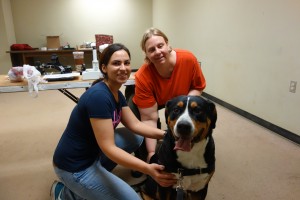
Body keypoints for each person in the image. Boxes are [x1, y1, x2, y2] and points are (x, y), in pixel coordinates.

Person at [50, 43, 177, 200]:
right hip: (75, 167)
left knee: (136, 136)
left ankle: (91, 183)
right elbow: (109, 148)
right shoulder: (99, 97)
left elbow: (135, 125)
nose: (123, 68)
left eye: (127, 63)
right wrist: (147, 169)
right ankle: (65, 194)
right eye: (116, 63)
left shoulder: (116, 93)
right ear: (104, 68)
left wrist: (169, 135)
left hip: (93, 152)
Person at [131, 27, 206, 162]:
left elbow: (197, 87)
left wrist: (186, 109)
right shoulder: (142, 75)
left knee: (190, 113)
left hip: (180, 97)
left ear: (167, 44)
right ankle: (143, 156)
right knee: (134, 114)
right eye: (151, 50)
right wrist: (152, 153)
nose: (158, 52)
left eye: (160, 46)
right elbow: (149, 118)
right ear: (146, 54)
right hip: (154, 98)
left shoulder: (188, 59)